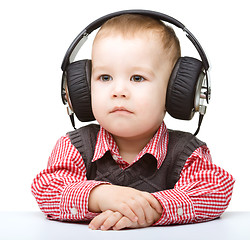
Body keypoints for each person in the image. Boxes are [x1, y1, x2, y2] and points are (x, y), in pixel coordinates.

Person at [31, 13, 235, 231]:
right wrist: (99, 195)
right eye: (105, 78)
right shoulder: (74, 146)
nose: (118, 91)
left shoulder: (187, 153)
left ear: (176, 93)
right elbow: (47, 188)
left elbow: (215, 189)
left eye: (137, 78)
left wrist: (152, 209)